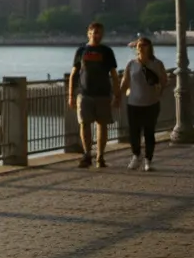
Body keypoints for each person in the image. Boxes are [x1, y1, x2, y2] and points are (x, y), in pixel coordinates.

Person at [67, 21, 121, 169]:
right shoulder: (81, 51)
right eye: (94, 32)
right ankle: (87, 154)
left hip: (103, 94)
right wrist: (71, 95)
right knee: (84, 124)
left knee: (102, 125)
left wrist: (117, 95)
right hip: (84, 94)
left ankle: (100, 156)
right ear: (88, 33)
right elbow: (73, 74)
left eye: (99, 33)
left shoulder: (107, 51)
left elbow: (114, 75)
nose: (97, 35)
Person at [121, 36, 167, 171]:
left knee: (149, 132)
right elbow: (125, 81)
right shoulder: (131, 64)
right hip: (133, 103)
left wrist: (160, 92)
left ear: (150, 47)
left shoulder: (157, 64)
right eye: (139, 45)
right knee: (134, 132)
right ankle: (136, 155)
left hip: (151, 104)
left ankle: (148, 159)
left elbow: (164, 80)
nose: (141, 47)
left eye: (144, 45)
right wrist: (118, 96)